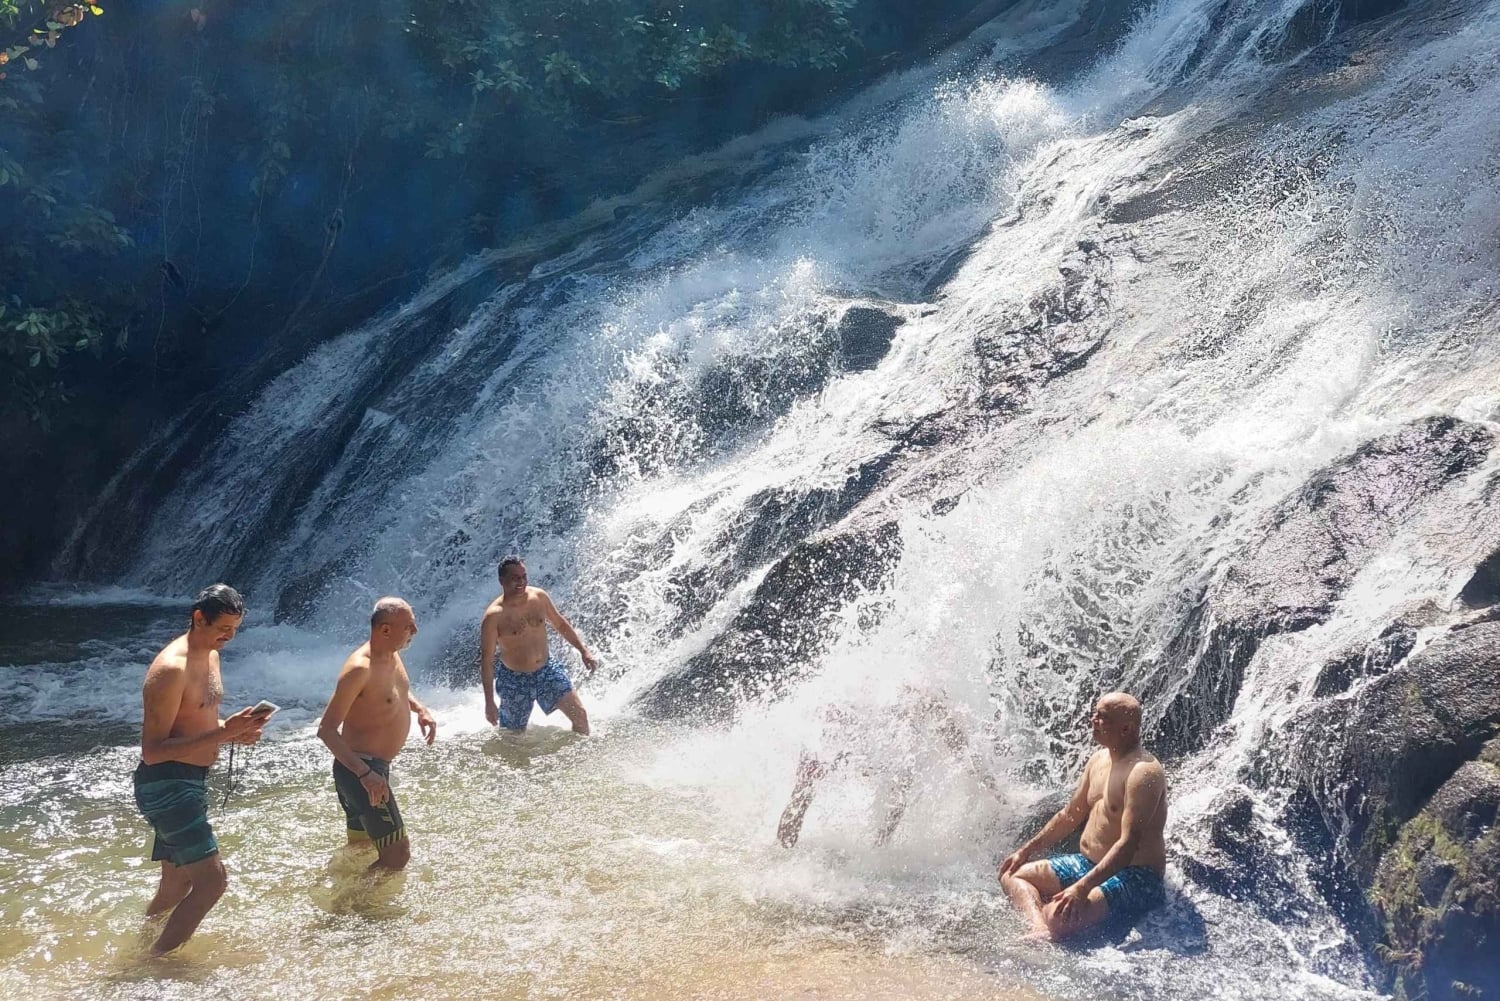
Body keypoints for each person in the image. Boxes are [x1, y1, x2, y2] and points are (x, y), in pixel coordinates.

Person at [133, 584, 266, 956]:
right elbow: (153, 751)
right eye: (223, 627)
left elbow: (196, 719)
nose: (229, 636)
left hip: (191, 780)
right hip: (167, 784)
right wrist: (224, 733)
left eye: (235, 629)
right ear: (198, 618)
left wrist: (233, 734)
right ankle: (156, 965)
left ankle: (140, 950)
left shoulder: (210, 655)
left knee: (175, 887)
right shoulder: (170, 670)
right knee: (212, 882)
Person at [997, 692, 1168, 940]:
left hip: (1136, 874)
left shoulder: (1143, 774)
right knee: (1011, 874)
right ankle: (1038, 928)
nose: (1092, 720)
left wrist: (1082, 887)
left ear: (1126, 728)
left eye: (1102, 717)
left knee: (1057, 916)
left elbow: (1128, 844)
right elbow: (1070, 815)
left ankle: (1052, 923)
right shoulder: (1099, 759)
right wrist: (1027, 849)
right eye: (1095, 713)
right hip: (1088, 863)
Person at [777, 686, 1005, 847]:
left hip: (875, 721)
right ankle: (878, 846)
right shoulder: (832, 720)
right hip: (848, 724)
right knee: (802, 794)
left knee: (901, 778)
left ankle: (880, 847)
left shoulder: (909, 702)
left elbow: (956, 741)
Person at [317, 597, 437, 871]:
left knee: (361, 850)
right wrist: (365, 775)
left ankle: (344, 902)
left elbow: (395, 691)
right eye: (409, 626)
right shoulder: (359, 669)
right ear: (385, 629)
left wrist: (420, 709)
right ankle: (356, 908)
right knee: (397, 855)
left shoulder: (391, 655)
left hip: (371, 771)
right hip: (361, 771)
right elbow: (326, 731)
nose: (415, 632)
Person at [480, 556, 598, 734]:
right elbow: (487, 660)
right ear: (501, 581)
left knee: (580, 715)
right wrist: (489, 702)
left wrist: (583, 650)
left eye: (524, 576)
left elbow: (560, 624)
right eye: (515, 578)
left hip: (546, 670)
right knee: (512, 737)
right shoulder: (494, 616)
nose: (521, 582)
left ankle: (581, 760)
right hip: (514, 680)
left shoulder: (539, 597)